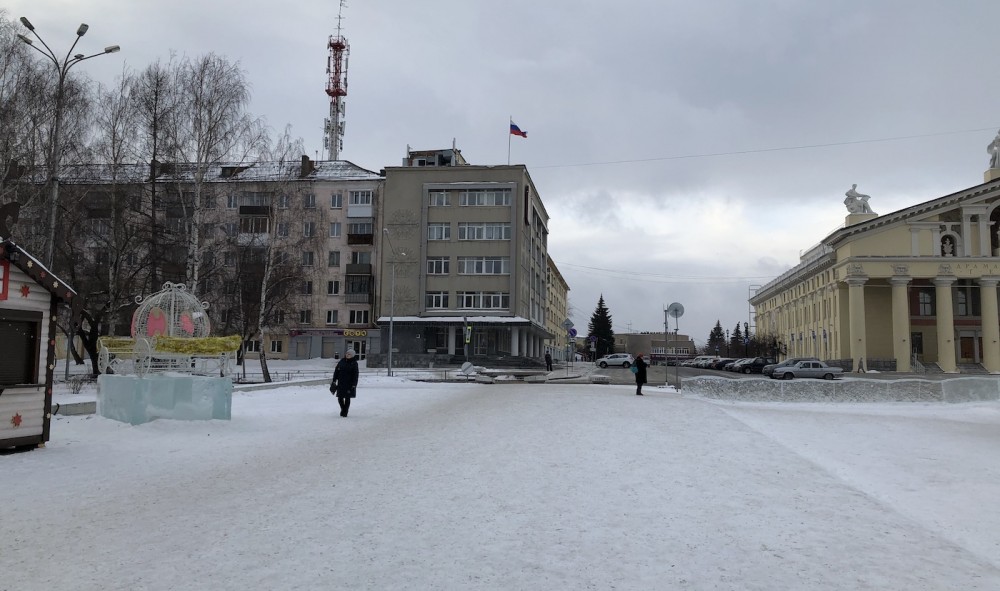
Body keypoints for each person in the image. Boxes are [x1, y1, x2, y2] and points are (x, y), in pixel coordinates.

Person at [331, 348, 360, 417]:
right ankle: (343, 409)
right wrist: (334, 380)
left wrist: (354, 384)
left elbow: (356, 374)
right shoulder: (342, 361)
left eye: (349, 354)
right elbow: (336, 371)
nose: (347, 355)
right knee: (340, 397)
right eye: (347, 353)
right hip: (341, 382)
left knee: (347, 397)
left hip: (349, 383)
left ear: (352, 355)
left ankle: (345, 411)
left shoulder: (354, 363)